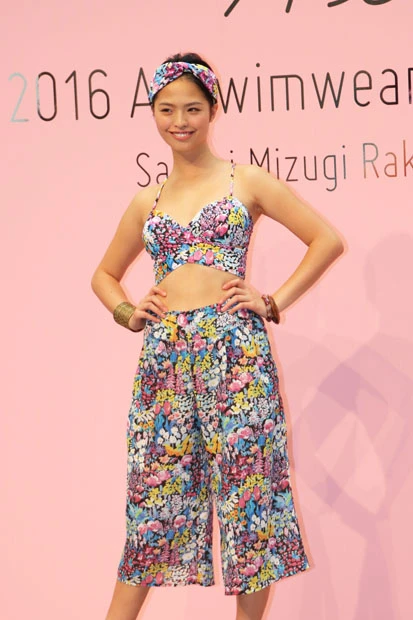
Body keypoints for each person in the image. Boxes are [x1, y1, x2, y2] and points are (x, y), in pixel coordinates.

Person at [91, 52, 344, 620]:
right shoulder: (148, 201)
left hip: (236, 356)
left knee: (250, 506)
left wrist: (271, 301)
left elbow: (326, 239)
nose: (179, 121)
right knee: (152, 507)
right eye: (166, 110)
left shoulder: (244, 180)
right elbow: (103, 275)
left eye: (192, 109)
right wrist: (128, 311)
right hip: (165, 361)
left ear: (212, 110)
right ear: (153, 113)